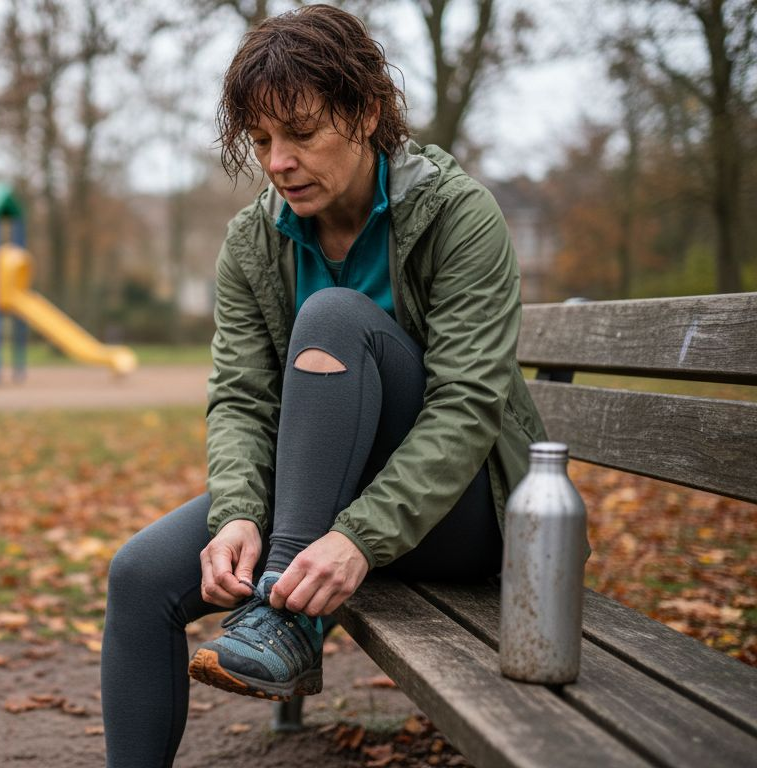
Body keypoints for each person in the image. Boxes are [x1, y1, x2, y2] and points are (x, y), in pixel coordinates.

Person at [100, 6, 547, 766]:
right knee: (139, 577)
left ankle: (287, 622)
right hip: (319, 506)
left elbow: (469, 405)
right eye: (263, 140)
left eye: (302, 134)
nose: (278, 162)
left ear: (367, 112)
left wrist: (357, 538)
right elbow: (241, 396)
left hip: (459, 514)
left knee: (337, 318)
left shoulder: (456, 215)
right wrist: (239, 513)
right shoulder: (252, 242)